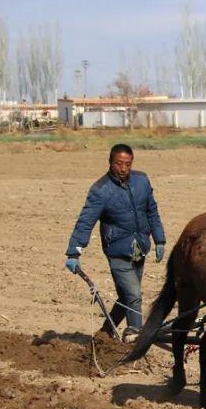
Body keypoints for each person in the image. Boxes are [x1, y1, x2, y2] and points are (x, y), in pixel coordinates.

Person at [65, 143, 166, 338]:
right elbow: (86, 221)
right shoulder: (100, 190)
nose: (123, 169)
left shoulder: (142, 181)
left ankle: (105, 333)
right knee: (134, 295)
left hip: (139, 247)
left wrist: (159, 239)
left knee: (127, 297)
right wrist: (73, 252)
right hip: (117, 250)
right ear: (111, 163)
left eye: (127, 164)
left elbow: (152, 211)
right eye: (119, 164)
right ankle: (134, 335)